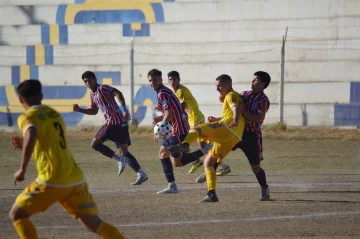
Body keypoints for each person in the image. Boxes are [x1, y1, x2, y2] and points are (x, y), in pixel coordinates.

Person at [9, 79, 125, 239]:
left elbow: (32, 133)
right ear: (41, 95)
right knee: (95, 224)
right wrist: (24, 145)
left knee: (17, 214)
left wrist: (22, 169)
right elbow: (49, 144)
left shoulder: (27, 117)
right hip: (75, 179)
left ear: (20, 100)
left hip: (52, 180)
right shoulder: (54, 114)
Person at [169, 74, 245, 202]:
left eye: (219, 86)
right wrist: (217, 119)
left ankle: (185, 145)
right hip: (234, 136)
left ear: (228, 84)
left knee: (198, 129)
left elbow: (234, 108)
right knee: (208, 162)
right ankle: (212, 194)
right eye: (216, 86)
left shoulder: (231, 95)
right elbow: (231, 112)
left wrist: (235, 119)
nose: (217, 89)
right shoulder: (231, 95)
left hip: (227, 128)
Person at [73, 71, 148, 185]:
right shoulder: (93, 95)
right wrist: (80, 110)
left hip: (113, 122)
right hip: (121, 123)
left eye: (88, 80)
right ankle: (141, 173)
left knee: (95, 144)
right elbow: (94, 111)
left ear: (94, 79)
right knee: (123, 152)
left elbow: (118, 93)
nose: (87, 83)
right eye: (85, 82)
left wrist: (123, 109)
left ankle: (119, 160)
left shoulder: (103, 88)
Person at [148, 69, 213, 194]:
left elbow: (169, 113)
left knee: (177, 163)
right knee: (163, 154)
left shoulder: (162, 93)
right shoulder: (165, 91)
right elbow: (174, 111)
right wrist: (160, 119)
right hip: (178, 127)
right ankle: (172, 185)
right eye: (150, 81)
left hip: (177, 130)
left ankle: (205, 149)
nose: (153, 83)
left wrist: (160, 128)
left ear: (161, 80)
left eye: (155, 80)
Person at [233, 71, 272, 201]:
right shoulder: (243, 94)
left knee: (255, 167)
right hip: (237, 133)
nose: (252, 81)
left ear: (262, 83)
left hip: (252, 136)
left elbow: (258, 118)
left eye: (255, 80)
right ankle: (211, 189)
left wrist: (243, 110)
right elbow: (232, 107)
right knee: (217, 152)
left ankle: (264, 188)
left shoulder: (263, 100)